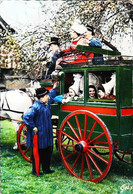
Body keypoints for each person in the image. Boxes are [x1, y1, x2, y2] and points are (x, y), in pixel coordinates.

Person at [23, 82, 57, 176]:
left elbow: (52, 94)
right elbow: (26, 116)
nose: (48, 97)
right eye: (46, 96)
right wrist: (33, 126)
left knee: (48, 151)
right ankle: (35, 171)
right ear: (41, 97)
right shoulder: (36, 106)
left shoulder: (46, 104)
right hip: (39, 134)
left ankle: (46, 169)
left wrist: (54, 88)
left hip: (47, 133)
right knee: (38, 152)